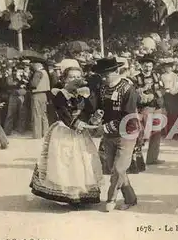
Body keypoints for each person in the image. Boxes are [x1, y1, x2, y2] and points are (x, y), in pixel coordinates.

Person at [30, 65, 103, 206]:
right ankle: (68, 194)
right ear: (64, 79)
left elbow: (88, 111)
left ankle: (80, 193)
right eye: (71, 77)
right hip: (64, 130)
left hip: (80, 131)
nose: (75, 80)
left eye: (78, 77)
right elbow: (63, 112)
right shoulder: (59, 94)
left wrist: (93, 116)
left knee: (83, 160)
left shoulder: (82, 94)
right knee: (66, 161)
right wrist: (75, 124)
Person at [96, 58, 140, 212]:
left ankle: (111, 199)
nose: (103, 78)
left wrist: (106, 127)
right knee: (112, 168)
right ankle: (131, 198)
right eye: (101, 75)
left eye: (105, 75)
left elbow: (127, 117)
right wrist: (97, 115)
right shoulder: (102, 88)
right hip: (109, 135)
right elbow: (100, 107)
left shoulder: (128, 89)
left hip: (127, 133)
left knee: (119, 169)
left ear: (116, 72)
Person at [134, 55, 165, 165]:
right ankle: (137, 157)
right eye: (146, 66)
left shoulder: (157, 76)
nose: (148, 68)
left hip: (156, 106)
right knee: (143, 133)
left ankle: (152, 158)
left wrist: (156, 96)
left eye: (150, 66)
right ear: (141, 66)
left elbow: (162, 89)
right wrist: (143, 91)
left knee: (156, 132)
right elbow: (133, 93)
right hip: (145, 108)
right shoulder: (136, 78)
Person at [29, 60, 51, 139]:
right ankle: (46, 133)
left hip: (37, 94)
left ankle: (37, 135)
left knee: (36, 114)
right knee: (44, 115)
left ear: (36, 67)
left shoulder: (38, 73)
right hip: (44, 94)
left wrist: (29, 80)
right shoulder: (45, 73)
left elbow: (34, 84)